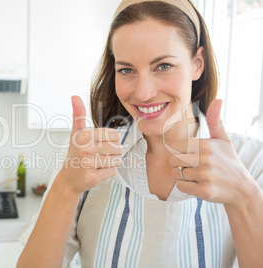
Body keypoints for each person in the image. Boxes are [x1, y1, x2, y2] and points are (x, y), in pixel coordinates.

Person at [17, 0, 263, 267]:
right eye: (126, 70)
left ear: (197, 64)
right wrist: (65, 187)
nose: (143, 92)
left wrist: (244, 197)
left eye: (163, 66)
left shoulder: (252, 162)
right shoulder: (88, 158)